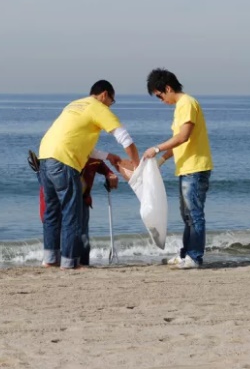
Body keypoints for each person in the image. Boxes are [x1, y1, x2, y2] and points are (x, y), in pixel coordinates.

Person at [38, 80, 139, 269]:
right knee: (72, 213)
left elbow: (81, 145)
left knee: (52, 213)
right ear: (104, 95)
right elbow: (125, 138)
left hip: (44, 157)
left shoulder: (74, 105)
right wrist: (137, 165)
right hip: (64, 161)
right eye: (111, 101)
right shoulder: (98, 108)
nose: (110, 105)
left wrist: (110, 157)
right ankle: (69, 262)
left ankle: (50, 260)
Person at [142, 69, 213, 269]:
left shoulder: (187, 104)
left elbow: (183, 137)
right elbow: (178, 143)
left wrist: (156, 148)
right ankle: (186, 255)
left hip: (195, 167)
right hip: (186, 168)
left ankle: (195, 257)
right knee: (187, 215)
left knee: (194, 214)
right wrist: (160, 160)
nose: (161, 100)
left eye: (160, 95)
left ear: (168, 88)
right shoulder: (181, 107)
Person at [29, 152, 118, 266]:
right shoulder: (61, 158)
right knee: (61, 230)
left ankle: (81, 264)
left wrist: (109, 173)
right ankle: (57, 261)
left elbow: (99, 163)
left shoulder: (89, 155)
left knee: (83, 239)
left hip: (82, 199)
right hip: (61, 198)